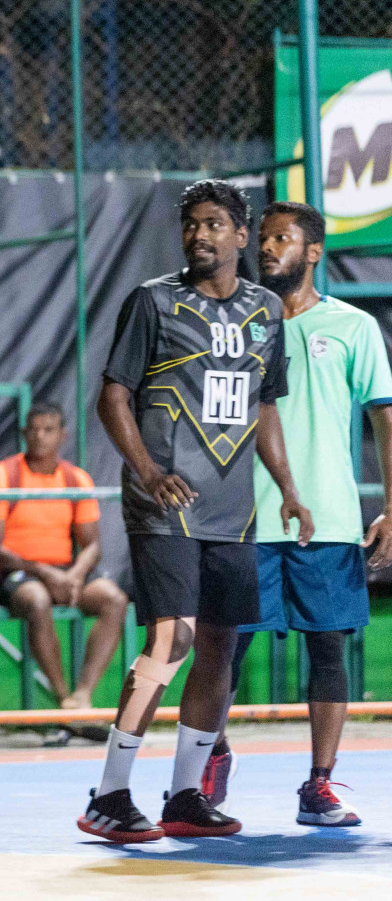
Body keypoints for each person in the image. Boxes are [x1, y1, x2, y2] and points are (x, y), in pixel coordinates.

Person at [80, 179, 313, 843]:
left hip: (233, 510)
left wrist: (288, 489)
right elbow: (112, 397)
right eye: (190, 224)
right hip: (166, 503)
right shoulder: (153, 302)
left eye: (214, 224)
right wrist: (149, 472)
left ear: (242, 235)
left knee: (220, 643)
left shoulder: (267, 310)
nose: (199, 234)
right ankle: (108, 795)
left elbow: (264, 406)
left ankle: (185, 795)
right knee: (170, 639)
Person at [201, 202, 392, 827]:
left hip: (329, 520)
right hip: (244, 520)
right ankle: (208, 762)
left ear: (312, 252)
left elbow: (384, 419)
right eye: (262, 238)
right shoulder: (236, 323)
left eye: (282, 238)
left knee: (329, 649)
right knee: (222, 652)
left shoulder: (355, 328)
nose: (266, 247)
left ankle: (319, 785)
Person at [0, 402, 127, 710]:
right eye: (33, 429)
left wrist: (72, 576)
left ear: (63, 435)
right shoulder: (2, 475)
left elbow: (93, 545)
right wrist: (47, 574)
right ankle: (63, 700)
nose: (40, 437)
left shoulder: (77, 479)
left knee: (114, 600)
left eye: (48, 430)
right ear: (23, 434)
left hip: (64, 573)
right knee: (37, 600)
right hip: (17, 574)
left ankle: (83, 694)